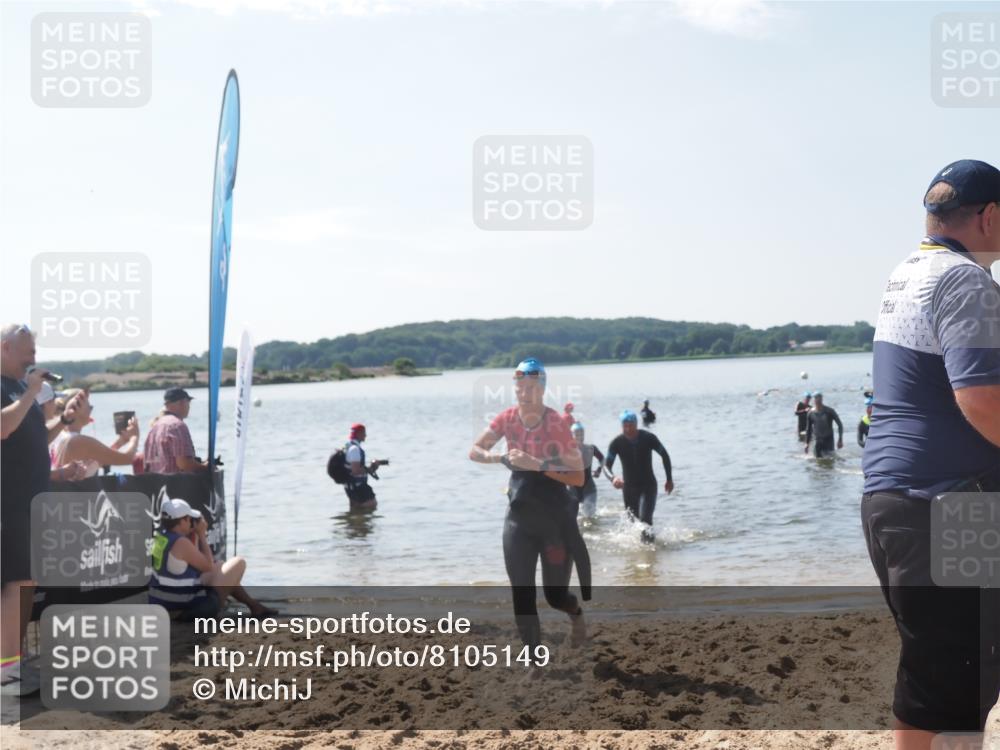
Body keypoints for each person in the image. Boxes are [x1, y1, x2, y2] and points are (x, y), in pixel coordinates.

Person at [862, 159, 1000, 748]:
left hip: (896, 500)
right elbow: (982, 400)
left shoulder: (910, 273)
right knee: (948, 686)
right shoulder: (965, 281)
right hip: (946, 503)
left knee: (949, 676)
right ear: (991, 218)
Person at [469, 358, 589, 650]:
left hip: (555, 523)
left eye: (531, 387)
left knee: (554, 596)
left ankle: (575, 614)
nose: (524, 392)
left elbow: (578, 477)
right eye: (520, 386)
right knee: (521, 592)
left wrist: (537, 464)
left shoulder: (556, 423)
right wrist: (500, 458)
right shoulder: (506, 418)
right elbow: (475, 450)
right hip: (519, 520)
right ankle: (535, 661)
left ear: (542, 389)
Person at [0, 324, 78, 696]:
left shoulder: (18, 390)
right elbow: (2, 428)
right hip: (9, 505)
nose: (34, 358)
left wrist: (62, 422)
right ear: (4, 348)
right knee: (14, 588)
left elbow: (31, 436)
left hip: (30, 504)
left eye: (35, 351)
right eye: (28, 351)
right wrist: (32, 391)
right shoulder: (8, 389)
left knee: (24, 586)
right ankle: (7, 675)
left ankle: (11, 667)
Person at [149, 498, 276, 620]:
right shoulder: (181, 542)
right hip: (185, 609)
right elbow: (207, 566)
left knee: (220, 566)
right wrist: (201, 535)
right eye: (189, 519)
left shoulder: (161, 537)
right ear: (182, 521)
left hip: (164, 603)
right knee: (238, 562)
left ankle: (254, 605)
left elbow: (193, 567)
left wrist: (195, 536)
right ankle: (252, 606)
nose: (191, 522)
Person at [604, 410, 674, 540]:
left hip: (648, 486)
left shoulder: (648, 438)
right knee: (633, 523)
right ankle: (638, 555)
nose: (628, 428)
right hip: (629, 488)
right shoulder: (617, 443)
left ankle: (649, 554)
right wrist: (613, 478)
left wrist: (669, 479)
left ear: (636, 424)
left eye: (631, 425)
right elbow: (606, 466)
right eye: (625, 425)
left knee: (645, 520)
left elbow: (664, 455)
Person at [49, 389, 140, 478]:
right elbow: (127, 458)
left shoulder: (55, 434)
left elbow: (99, 459)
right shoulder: (79, 441)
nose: (91, 410)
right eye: (90, 407)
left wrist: (120, 442)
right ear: (76, 408)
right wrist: (134, 437)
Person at [144, 388, 209, 474]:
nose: (189, 406)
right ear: (182, 402)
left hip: (156, 485)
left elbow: (147, 464)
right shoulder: (177, 426)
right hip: (176, 485)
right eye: (188, 402)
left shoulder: (154, 427)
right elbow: (184, 464)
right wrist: (205, 467)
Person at [343, 423, 388, 511]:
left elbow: (352, 468)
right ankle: (360, 523)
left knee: (356, 510)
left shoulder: (348, 447)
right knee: (372, 505)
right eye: (364, 433)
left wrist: (371, 468)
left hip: (351, 486)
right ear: (359, 434)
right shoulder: (355, 449)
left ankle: (356, 522)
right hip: (358, 486)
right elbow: (355, 471)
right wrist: (371, 468)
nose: (366, 435)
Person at [569, 422, 604, 518]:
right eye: (577, 434)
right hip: (573, 491)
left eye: (581, 433)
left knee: (589, 517)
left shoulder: (590, 448)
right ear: (571, 436)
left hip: (589, 489)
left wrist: (599, 470)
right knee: (572, 518)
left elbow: (602, 458)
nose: (579, 436)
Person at [803, 391, 843, 458]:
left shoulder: (829, 411)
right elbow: (808, 429)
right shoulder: (810, 413)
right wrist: (807, 443)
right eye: (816, 398)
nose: (818, 400)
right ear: (814, 400)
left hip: (828, 440)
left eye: (819, 398)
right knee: (817, 460)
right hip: (817, 440)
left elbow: (840, 425)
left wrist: (840, 439)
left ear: (822, 399)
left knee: (830, 461)